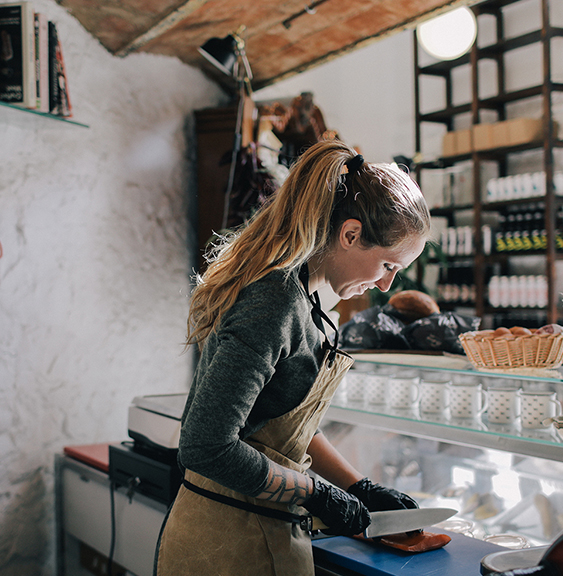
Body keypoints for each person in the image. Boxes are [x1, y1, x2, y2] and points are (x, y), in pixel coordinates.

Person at [154, 139, 431, 575]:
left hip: (269, 532)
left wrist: (357, 486)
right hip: (224, 543)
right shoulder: (273, 303)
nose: (386, 286)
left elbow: (279, 425)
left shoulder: (304, 298)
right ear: (351, 234)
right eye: (388, 265)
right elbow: (205, 446)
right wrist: (316, 494)